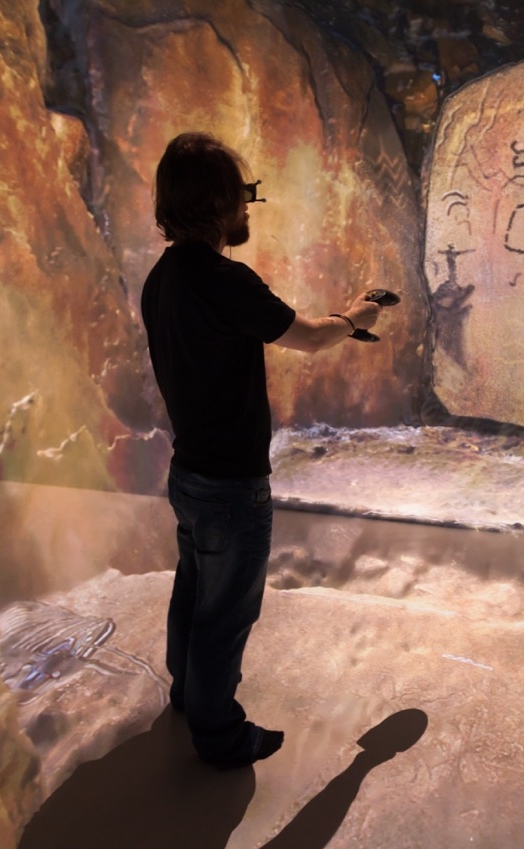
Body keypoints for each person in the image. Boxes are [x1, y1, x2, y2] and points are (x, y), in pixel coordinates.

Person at [140, 132, 384, 770]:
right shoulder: (225, 279)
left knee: (193, 591)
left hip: (189, 474)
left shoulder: (163, 278)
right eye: (243, 195)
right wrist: (354, 316)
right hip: (230, 486)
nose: (249, 208)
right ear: (219, 202)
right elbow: (305, 336)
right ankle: (219, 735)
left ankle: (190, 698)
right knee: (227, 611)